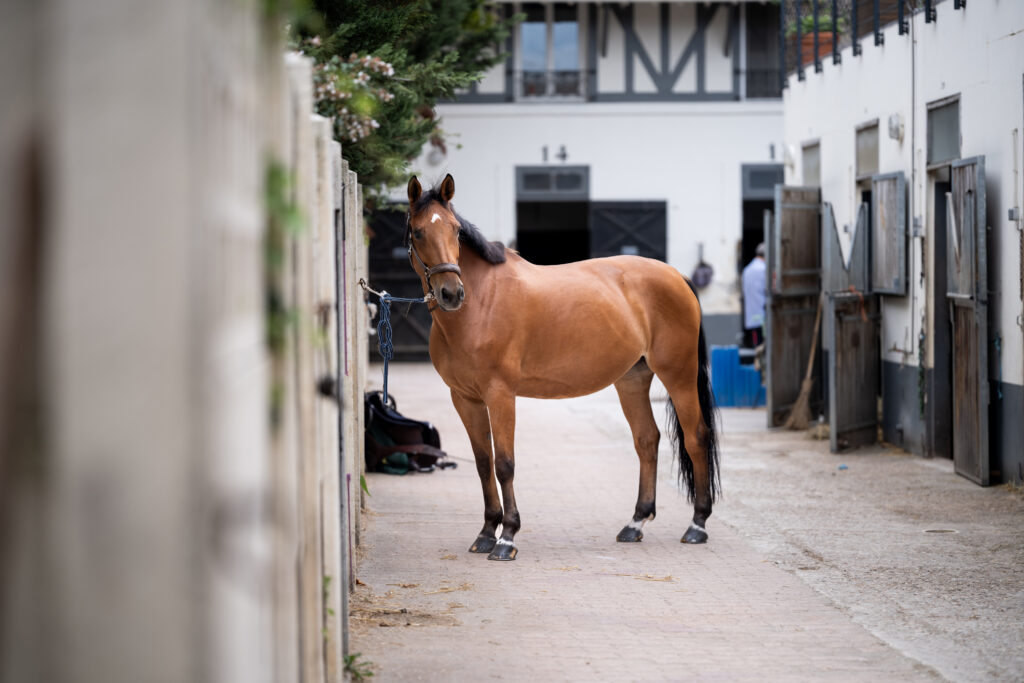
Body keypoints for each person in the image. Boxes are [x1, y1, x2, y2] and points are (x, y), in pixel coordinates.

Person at [742, 242, 767, 348]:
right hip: (764, 316)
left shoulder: (747, 270)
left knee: (757, 349)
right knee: (765, 348)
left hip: (753, 316)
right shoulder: (764, 269)